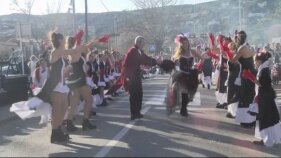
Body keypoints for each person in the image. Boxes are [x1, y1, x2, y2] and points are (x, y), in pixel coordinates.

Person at [243, 51, 281, 146]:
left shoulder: (264, 70)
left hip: (265, 97)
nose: (254, 63)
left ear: (259, 61)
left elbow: (261, 84)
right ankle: (265, 138)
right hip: (265, 96)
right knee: (267, 118)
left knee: (264, 118)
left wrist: (250, 77)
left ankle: (266, 139)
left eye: (255, 61)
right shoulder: (263, 68)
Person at [123, 36, 162, 120]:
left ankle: (137, 112)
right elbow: (126, 65)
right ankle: (133, 113)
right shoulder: (132, 51)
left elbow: (146, 59)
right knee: (133, 95)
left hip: (137, 76)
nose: (144, 44)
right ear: (138, 43)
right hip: (131, 76)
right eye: (143, 42)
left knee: (139, 94)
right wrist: (127, 77)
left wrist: (155, 62)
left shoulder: (139, 51)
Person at [65, 35, 97, 132]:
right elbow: (86, 47)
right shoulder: (76, 50)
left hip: (73, 79)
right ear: (75, 42)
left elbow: (85, 46)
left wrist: (90, 42)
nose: (82, 42)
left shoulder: (71, 51)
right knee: (89, 100)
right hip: (79, 79)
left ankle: (69, 124)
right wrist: (96, 41)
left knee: (74, 103)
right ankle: (85, 122)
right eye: (80, 40)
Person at [169, 35, 202, 117]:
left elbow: (202, 58)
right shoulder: (178, 52)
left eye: (186, 42)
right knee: (183, 93)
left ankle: (183, 107)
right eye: (184, 43)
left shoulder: (192, 51)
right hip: (181, 75)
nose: (186, 44)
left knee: (190, 94)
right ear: (181, 44)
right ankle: (183, 110)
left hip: (191, 74)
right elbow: (173, 61)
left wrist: (198, 65)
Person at [229, 31, 256, 128]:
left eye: (236, 39)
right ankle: (248, 120)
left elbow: (233, 60)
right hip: (248, 73)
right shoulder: (246, 47)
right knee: (246, 97)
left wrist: (227, 52)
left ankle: (248, 121)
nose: (235, 40)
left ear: (239, 39)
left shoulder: (242, 48)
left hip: (247, 75)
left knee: (246, 97)